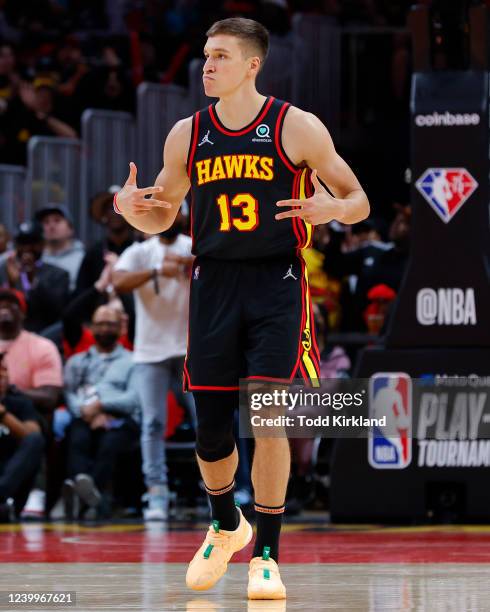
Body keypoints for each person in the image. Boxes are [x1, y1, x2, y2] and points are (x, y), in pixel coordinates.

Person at [114, 17, 369, 601]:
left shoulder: (294, 126)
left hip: (276, 282)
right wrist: (134, 211)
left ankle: (269, 554)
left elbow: (358, 199)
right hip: (213, 283)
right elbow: (164, 213)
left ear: (253, 64)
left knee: (267, 418)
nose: (207, 65)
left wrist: (329, 211)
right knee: (209, 431)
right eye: (206, 56)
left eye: (221, 56)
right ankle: (228, 523)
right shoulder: (186, 134)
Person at [113, 209, 194, 521]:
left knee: (209, 423)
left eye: (175, 213)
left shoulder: (192, 246)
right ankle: (156, 492)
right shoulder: (141, 252)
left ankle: (222, 491)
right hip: (150, 350)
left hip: (190, 349)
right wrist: (158, 270)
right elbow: (118, 282)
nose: (170, 219)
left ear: (184, 217)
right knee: (152, 423)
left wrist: (191, 265)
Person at [63, 305, 140, 519]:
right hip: (84, 416)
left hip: (122, 418)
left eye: (110, 324)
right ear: (90, 327)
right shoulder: (77, 361)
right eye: (100, 324)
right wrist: (85, 411)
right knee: (76, 436)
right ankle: (88, 495)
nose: (105, 328)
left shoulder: (133, 361)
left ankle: (83, 493)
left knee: (109, 443)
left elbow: (134, 398)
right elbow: (68, 393)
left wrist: (102, 406)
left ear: (121, 329)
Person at [0, 221, 70, 334]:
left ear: (42, 244)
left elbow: (57, 312)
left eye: (33, 243)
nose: (27, 248)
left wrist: (32, 280)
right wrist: (12, 284)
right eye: (22, 243)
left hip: (43, 336)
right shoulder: (3, 269)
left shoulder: (58, 274)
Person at [0, 358, 45, 521]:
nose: (1, 376)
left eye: (3, 371)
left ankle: (2, 495)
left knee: (35, 440)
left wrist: (4, 415)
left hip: (12, 480)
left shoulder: (19, 403)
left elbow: (33, 435)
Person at [35, 204, 85, 291]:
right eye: (46, 222)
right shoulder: (35, 258)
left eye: (57, 220)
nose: (51, 226)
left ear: (70, 228)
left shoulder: (83, 258)